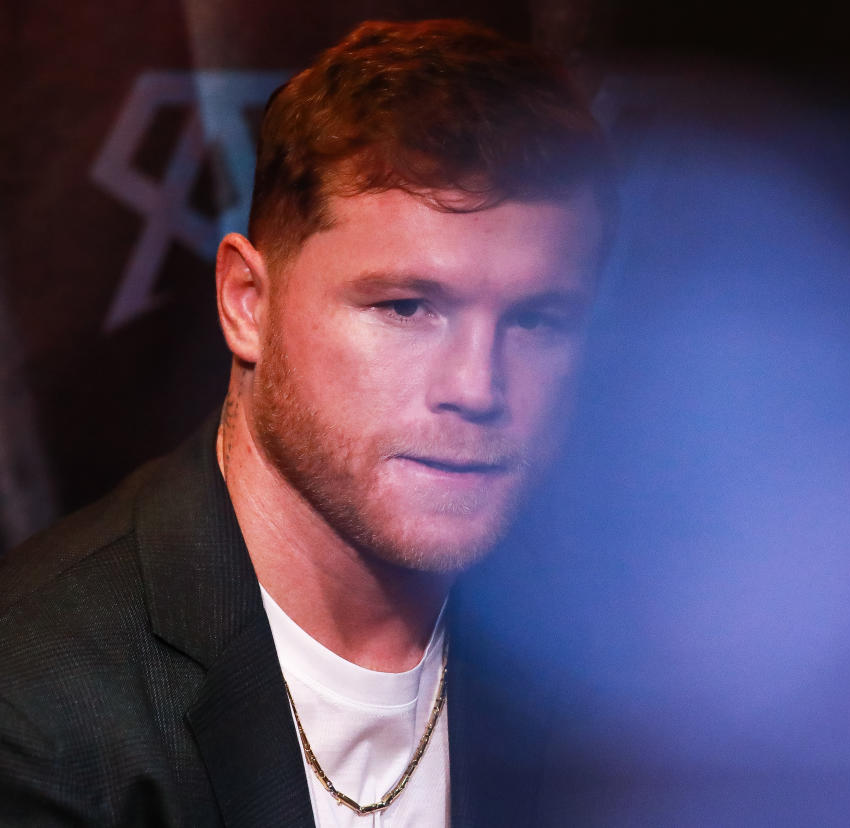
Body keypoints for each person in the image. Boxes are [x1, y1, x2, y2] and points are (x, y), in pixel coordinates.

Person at [0, 18, 613, 827]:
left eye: (538, 321)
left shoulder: (603, 670)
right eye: (406, 306)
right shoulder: (38, 704)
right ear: (247, 304)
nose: (476, 386)